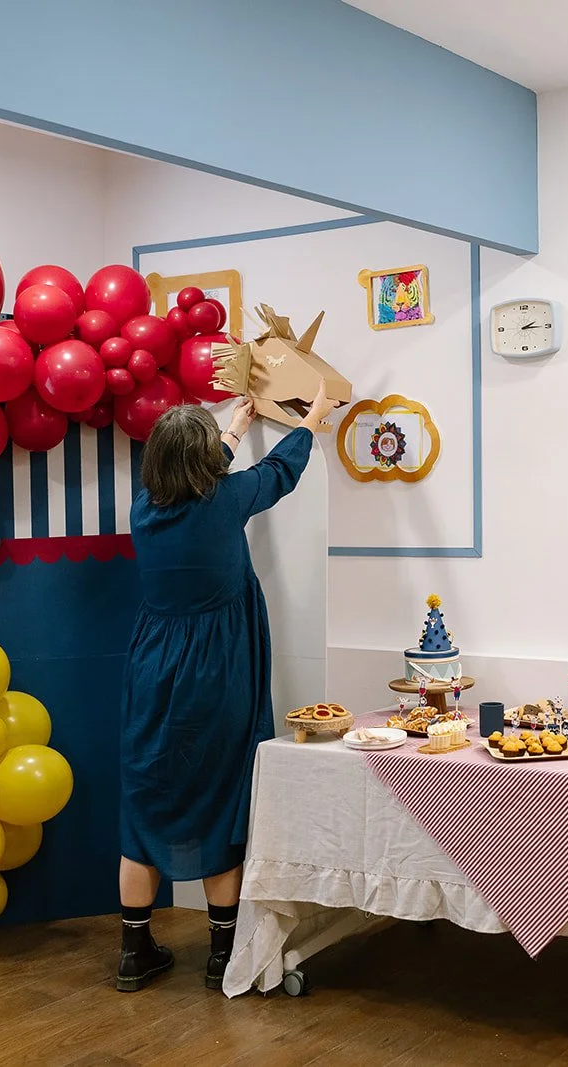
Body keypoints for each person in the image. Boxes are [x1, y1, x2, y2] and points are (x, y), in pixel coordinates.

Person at [117, 381, 337, 992]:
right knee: (221, 796)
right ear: (207, 463)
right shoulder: (226, 499)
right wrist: (312, 419)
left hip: (153, 667)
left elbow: (202, 469)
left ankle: (134, 952)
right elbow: (279, 472)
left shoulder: (144, 509)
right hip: (217, 669)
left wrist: (233, 426)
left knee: (146, 800)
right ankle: (222, 952)